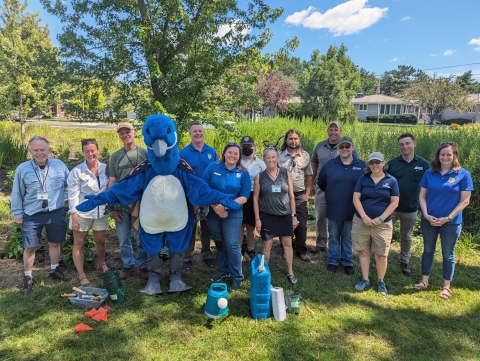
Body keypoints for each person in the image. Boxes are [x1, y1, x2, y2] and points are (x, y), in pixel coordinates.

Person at [11, 136, 71, 293]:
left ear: (49, 150)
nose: (39, 153)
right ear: (30, 151)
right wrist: (18, 213)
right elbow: (17, 192)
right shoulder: (22, 169)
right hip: (32, 213)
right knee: (30, 246)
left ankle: (54, 269)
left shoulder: (59, 166)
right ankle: (27, 277)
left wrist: (71, 204)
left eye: (42, 149)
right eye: (36, 150)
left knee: (55, 243)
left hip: (56, 212)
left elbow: (70, 185)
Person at [414, 142, 473, 299]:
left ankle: (446, 286)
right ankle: (424, 281)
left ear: (454, 156)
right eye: (442, 154)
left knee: (448, 254)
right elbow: (422, 196)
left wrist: (447, 218)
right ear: (438, 156)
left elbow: (465, 201)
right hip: (429, 220)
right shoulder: (429, 173)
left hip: (451, 223)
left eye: (449, 154)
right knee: (428, 251)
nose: (445, 157)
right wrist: (426, 215)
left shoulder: (463, 174)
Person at [202, 142, 250, 291]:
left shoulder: (243, 173)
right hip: (213, 212)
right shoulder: (213, 167)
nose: (232, 156)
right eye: (230, 152)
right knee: (220, 242)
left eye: (236, 153)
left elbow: (244, 197)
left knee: (231, 244)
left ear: (239, 156)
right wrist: (216, 207)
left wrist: (225, 206)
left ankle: (237, 277)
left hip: (233, 214)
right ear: (224, 153)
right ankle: (224, 270)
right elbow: (204, 188)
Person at [352, 152, 399, 295]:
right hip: (362, 221)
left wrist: (381, 218)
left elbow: (394, 202)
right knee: (364, 251)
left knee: (381, 254)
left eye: (377, 162)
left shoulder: (391, 181)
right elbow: (356, 199)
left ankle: (380, 281)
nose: (375, 165)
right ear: (368, 165)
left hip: (382, 223)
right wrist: (364, 216)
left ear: (384, 164)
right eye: (372, 163)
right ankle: (365, 279)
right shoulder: (363, 179)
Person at [317, 136, 366, 275]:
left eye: (347, 146)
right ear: (338, 149)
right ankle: (332, 261)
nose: (344, 149)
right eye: (341, 147)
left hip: (352, 209)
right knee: (333, 236)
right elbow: (322, 183)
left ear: (352, 147)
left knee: (347, 237)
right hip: (334, 208)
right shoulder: (329, 165)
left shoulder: (362, 166)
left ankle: (347, 262)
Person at [107, 122, 149, 280]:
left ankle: (143, 265)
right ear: (119, 136)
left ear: (134, 133)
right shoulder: (115, 157)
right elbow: (111, 182)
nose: (125, 135)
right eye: (122, 133)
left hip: (141, 204)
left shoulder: (145, 154)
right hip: (121, 204)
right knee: (124, 237)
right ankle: (128, 264)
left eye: (128, 132)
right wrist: (112, 207)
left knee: (141, 237)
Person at [310, 121, 359, 253]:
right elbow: (314, 165)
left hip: (341, 190)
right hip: (322, 186)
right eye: (331, 130)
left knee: (342, 217)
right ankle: (321, 242)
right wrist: (310, 185)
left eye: (335, 130)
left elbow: (357, 166)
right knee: (320, 215)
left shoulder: (347, 147)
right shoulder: (320, 146)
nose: (333, 132)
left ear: (340, 131)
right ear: (327, 131)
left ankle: (344, 245)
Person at [67, 138, 109, 286]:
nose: (90, 154)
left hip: (101, 211)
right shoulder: (77, 171)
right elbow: (72, 194)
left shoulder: (106, 168)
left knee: (101, 241)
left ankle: (102, 264)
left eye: (93, 150)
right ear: (83, 152)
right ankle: (81, 274)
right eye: (87, 151)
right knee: (79, 243)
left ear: (97, 150)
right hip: (82, 213)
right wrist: (74, 216)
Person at [387, 133, 429, 276]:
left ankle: (404, 262)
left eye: (407, 143)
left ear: (414, 144)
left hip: (410, 208)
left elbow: (428, 186)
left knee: (406, 237)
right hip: (390, 208)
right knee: (384, 235)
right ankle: (379, 258)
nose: (404, 146)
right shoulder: (392, 164)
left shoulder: (423, 165)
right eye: (401, 144)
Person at [253, 147, 297, 284]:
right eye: (268, 158)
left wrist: (294, 215)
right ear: (264, 160)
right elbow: (255, 199)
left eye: (273, 157)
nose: (271, 160)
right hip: (267, 215)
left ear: (278, 159)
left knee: (288, 244)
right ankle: (265, 272)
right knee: (267, 245)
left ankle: (290, 272)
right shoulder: (260, 176)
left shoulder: (286, 174)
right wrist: (257, 219)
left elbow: (291, 197)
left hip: (284, 215)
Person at [179, 122, 218, 269]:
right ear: (190, 134)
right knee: (191, 227)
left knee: (207, 227)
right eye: (194, 131)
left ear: (203, 133)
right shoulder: (183, 153)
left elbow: (216, 173)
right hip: (190, 198)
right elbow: (182, 177)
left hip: (207, 196)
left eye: (200, 131)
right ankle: (187, 257)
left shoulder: (211, 152)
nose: (198, 133)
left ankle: (206, 254)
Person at [278, 129, 313, 262]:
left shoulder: (305, 156)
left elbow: (309, 174)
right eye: (290, 138)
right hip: (283, 194)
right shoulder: (279, 156)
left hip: (299, 195)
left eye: (296, 138)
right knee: (284, 222)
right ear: (286, 140)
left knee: (302, 224)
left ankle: (301, 250)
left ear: (299, 140)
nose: (293, 141)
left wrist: (307, 194)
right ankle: (285, 248)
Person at [238, 136, 266, 260]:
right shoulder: (236, 161)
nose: (247, 148)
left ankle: (250, 249)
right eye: (244, 146)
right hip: (239, 196)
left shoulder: (260, 163)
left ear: (254, 147)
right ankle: (238, 251)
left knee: (251, 225)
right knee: (240, 225)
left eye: (249, 146)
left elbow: (266, 180)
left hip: (254, 196)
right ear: (240, 147)